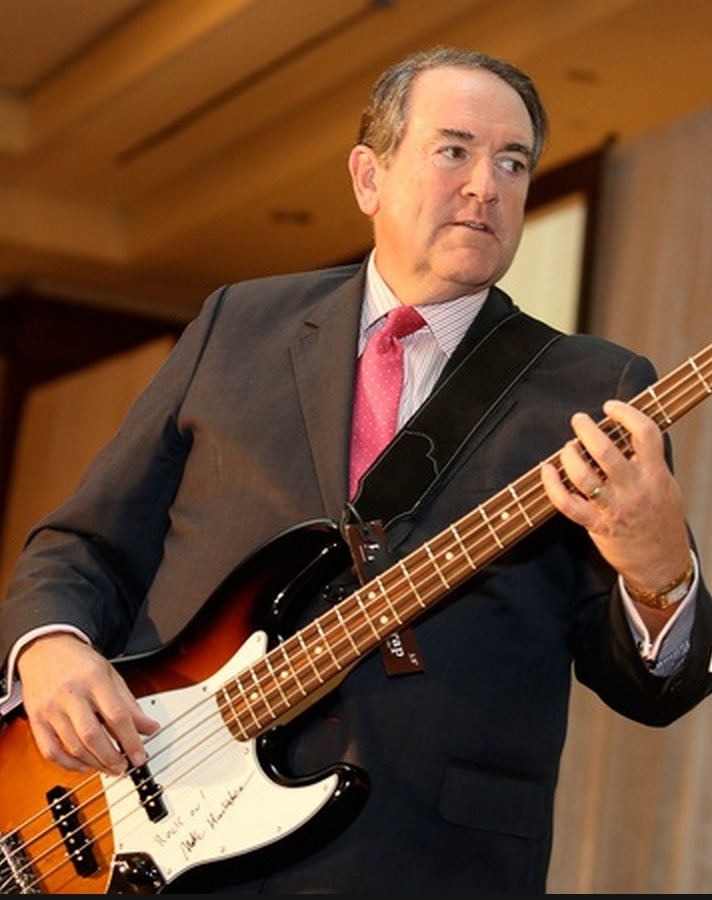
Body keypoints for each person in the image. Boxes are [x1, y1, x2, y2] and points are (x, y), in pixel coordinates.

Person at [1, 45, 711, 895]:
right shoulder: (239, 324)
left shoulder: (596, 389)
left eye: (513, 163)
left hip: (423, 862)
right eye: (454, 151)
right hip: (151, 826)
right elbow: (85, 545)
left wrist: (661, 572)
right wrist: (50, 647)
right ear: (368, 177)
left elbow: (651, 692)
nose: (486, 186)